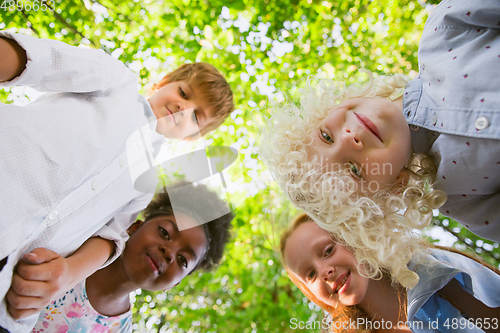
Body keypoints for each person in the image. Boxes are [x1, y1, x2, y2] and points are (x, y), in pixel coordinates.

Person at [0, 31, 234, 331]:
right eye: (184, 93)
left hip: (11, 290)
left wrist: (69, 272)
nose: (183, 109)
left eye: (197, 117)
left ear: (191, 137)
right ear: (161, 84)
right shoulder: (116, 81)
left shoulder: (145, 186)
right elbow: (37, 60)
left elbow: (111, 238)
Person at [260, 0, 499, 287]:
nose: (349, 139)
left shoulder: (444, 33)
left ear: (326, 109)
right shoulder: (461, 200)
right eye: (354, 170)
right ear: (396, 185)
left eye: (326, 136)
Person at [25, 183, 233, 333]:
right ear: (134, 227)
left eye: (183, 260)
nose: (169, 253)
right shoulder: (73, 244)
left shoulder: (119, 329)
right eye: (165, 232)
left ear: (175, 283)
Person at [281, 212, 500, 333]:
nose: (323, 272)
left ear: (354, 237)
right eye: (309, 275)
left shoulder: (430, 271)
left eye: (328, 250)